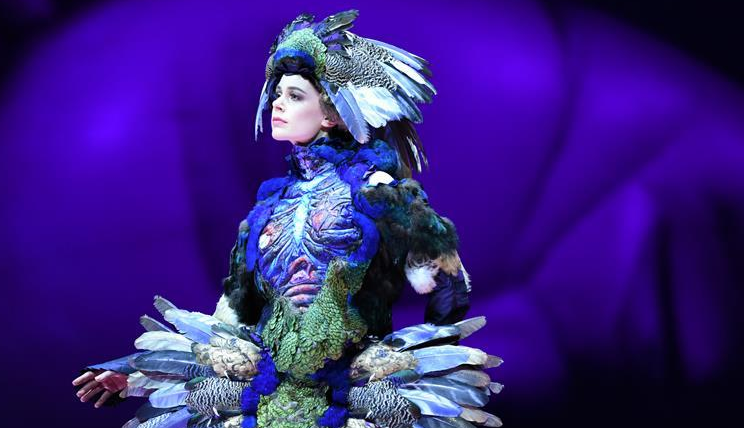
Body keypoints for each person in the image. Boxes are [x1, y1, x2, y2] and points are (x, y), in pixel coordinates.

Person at [73, 10, 501, 428]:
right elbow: (232, 316)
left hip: (353, 397)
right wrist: (133, 372)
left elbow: (448, 286)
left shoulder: (378, 191)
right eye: (278, 94)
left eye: (295, 96)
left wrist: (425, 366)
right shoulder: (269, 206)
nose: (278, 104)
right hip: (262, 398)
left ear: (331, 113)